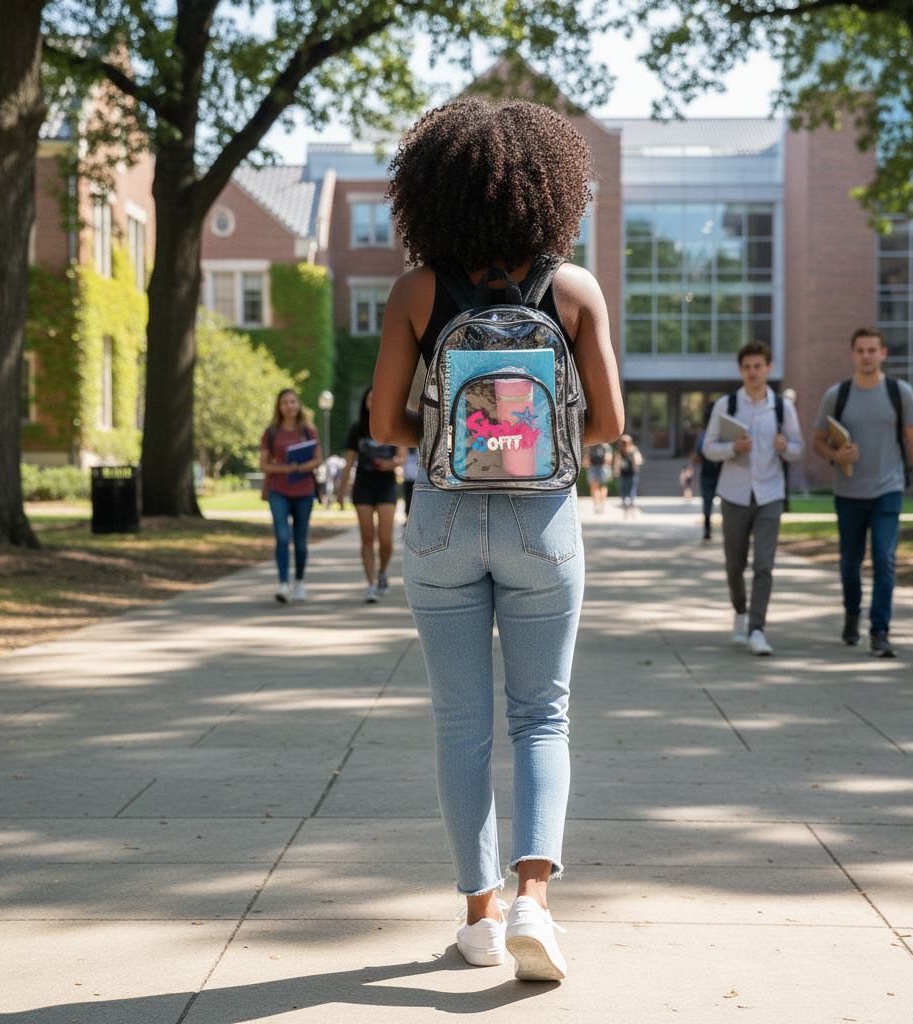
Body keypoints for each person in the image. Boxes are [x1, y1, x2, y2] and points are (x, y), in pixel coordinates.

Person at [369, 97, 624, 981]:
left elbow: (383, 423)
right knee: (542, 713)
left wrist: (451, 442)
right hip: (543, 522)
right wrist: (531, 444)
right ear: (551, 190)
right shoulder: (577, 289)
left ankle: (478, 917)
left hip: (441, 518)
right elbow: (610, 422)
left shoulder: (414, 289)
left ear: (433, 190)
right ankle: (535, 906)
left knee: (459, 723)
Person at [812, 327, 913, 657]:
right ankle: (852, 614)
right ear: (852, 354)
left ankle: (880, 630)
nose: (866, 356)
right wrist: (836, 456)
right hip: (848, 493)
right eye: (860, 350)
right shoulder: (837, 394)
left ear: (883, 354)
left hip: (887, 491)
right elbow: (818, 441)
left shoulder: (900, 392)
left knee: (885, 560)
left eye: (872, 350)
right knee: (850, 564)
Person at [702, 341, 804, 656]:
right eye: (747, 367)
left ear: (769, 369)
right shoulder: (727, 405)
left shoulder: (782, 407)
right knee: (735, 565)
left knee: (764, 564)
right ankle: (741, 612)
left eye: (758, 366)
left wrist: (784, 446)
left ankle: (757, 629)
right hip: (734, 495)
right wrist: (734, 448)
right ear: (741, 370)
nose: (753, 372)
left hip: (770, 494)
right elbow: (708, 448)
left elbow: (798, 449)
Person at [341, 387, 406, 603]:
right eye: (369, 398)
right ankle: (370, 585)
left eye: (376, 398)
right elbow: (349, 461)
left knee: (385, 540)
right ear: (364, 403)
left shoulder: (391, 426)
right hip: (363, 486)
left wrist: (392, 464)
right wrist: (341, 492)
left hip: (386, 486)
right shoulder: (357, 429)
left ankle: (382, 572)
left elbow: (401, 457)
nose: (372, 401)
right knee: (367, 538)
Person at [260, 388, 322, 603]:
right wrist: (285, 470)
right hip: (279, 490)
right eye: (285, 402)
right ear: (279, 406)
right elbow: (263, 465)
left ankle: (300, 582)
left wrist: (299, 467)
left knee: (301, 541)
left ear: (299, 404)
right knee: (282, 537)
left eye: (293, 401)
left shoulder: (308, 430)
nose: (290, 406)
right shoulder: (271, 432)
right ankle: (283, 584)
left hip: (304, 491)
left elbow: (318, 459)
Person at [693, 402, 722, 542]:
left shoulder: (703, 436)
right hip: (713, 472)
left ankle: (707, 529)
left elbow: (697, 457)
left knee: (707, 504)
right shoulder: (720, 435)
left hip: (712, 472)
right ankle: (708, 529)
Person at [614, 435, 643, 517]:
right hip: (623, 473)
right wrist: (616, 470)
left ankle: (632, 505)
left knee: (632, 489)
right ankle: (624, 504)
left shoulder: (633, 450)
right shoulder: (620, 451)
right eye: (622, 442)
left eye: (625, 442)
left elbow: (639, 459)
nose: (623, 444)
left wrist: (635, 459)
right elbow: (617, 460)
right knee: (623, 488)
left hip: (632, 472)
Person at [585, 443, 612, 512]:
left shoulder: (605, 446)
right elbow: (587, 456)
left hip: (603, 466)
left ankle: (602, 503)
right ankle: (596, 502)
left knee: (603, 486)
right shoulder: (592, 445)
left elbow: (609, 457)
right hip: (593, 466)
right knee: (594, 486)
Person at [402, 445, 419, 520]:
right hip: (408, 479)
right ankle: (407, 520)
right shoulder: (403, 447)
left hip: (418, 479)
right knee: (408, 501)